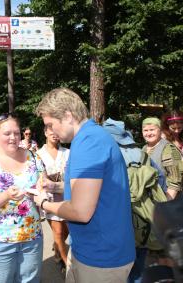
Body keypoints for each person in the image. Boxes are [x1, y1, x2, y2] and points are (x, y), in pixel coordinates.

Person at [35, 87, 135, 283]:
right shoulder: (90, 137)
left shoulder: (88, 142)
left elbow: (81, 211)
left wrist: (42, 203)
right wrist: (53, 187)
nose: (51, 131)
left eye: (50, 124)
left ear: (67, 116)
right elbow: (90, 189)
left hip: (101, 257)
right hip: (91, 250)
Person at [0, 113, 45, 283]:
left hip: (32, 238)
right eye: (7, 133)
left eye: (17, 133)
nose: (13, 137)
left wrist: (44, 191)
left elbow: (43, 185)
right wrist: (6, 195)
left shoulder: (33, 157)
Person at [36, 125, 69, 273]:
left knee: (66, 231)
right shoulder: (38, 154)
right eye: (51, 131)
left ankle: (57, 248)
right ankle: (64, 263)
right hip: (49, 198)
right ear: (45, 132)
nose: (54, 134)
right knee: (58, 232)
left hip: (67, 195)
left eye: (57, 131)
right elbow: (38, 176)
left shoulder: (68, 152)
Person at [142, 117, 183, 199]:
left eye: (152, 130)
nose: (149, 133)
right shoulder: (143, 148)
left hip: (165, 198)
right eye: (145, 130)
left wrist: (167, 203)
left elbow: (175, 181)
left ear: (160, 131)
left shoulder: (168, 149)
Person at [161, 110, 183, 187]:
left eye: (179, 127)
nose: (176, 131)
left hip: (182, 180)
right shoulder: (163, 138)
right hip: (169, 181)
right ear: (167, 126)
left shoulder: (182, 138)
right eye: (173, 128)